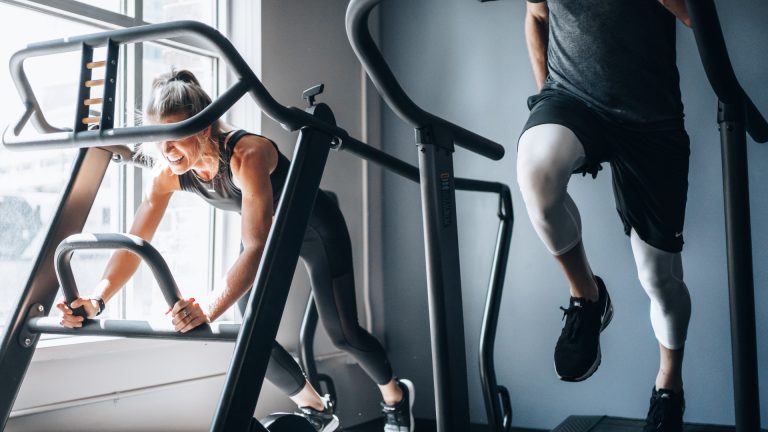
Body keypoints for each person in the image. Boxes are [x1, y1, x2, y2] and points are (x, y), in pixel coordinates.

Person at [56, 69, 415, 432]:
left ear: (204, 128)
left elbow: (257, 246)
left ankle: (396, 398)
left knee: (343, 334)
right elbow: (134, 245)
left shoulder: (246, 154)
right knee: (250, 329)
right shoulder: (169, 172)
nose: (167, 150)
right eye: (158, 137)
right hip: (265, 230)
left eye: (175, 136)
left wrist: (206, 310)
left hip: (316, 229)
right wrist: (97, 300)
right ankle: (317, 408)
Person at [518, 1, 693, 431]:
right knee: (536, 171)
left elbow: (693, 15)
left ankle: (668, 384)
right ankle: (587, 296)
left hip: (651, 119)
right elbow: (538, 15)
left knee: (659, 278)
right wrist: (545, 94)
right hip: (571, 98)